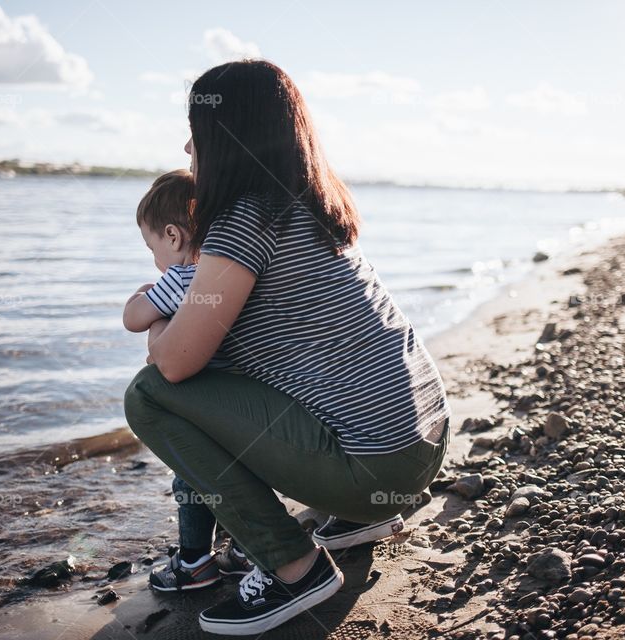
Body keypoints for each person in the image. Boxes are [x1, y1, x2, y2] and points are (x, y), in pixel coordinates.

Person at [124, 59, 450, 636]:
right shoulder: (310, 204)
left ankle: (295, 568)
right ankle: (355, 516)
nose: (187, 145)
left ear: (228, 136)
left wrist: (160, 318)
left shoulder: (242, 223)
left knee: (148, 396)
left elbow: (171, 364)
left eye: (196, 131)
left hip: (378, 462)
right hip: (421, 440)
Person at [122, 169, 252, 590]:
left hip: (199, 399)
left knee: (191, 474)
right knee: (242, 472)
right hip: (243, 399)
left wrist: (142, 295)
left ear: (173, 236)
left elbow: (133, 319)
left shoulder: (179, 279)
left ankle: (194, 561)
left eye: (151, 247)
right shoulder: (227, 274)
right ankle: (245, 551)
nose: (154, 258)